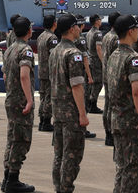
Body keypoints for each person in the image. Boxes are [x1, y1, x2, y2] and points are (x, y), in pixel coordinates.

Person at [107, 14, 138, 193]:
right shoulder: (133, 58)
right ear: (131, 31)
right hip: (131, 122)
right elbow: (137, 91)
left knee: (122, 167)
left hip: (117, 118)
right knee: (134, 168)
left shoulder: (113, 56)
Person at [49, 13, 89, 193]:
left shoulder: (55, 51)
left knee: (59, 153)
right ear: (72, 29)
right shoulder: (74, 54)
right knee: (72, 155)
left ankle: (59, 187)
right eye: (77, 27)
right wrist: (82, 114)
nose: (79, 30)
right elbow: (77, 86)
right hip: (71, 112)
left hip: (57, 110)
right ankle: (66, 188)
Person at [1, 16, 36, 193]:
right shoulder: (26, 50)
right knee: (21, 140)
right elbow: (24, 75)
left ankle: (7, 177)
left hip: (11, 99)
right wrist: (29, 99)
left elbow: (5, 75)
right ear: (28, 31)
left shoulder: (9, 50)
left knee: (12, 139)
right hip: (21, 101)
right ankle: (13, 180)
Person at [101, 11, 121, 146]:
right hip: (113, 74)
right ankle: (111, 133)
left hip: (106, 73)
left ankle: (108, 133)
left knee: (107, 104)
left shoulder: (106, 36)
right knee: (113, 105)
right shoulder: (115, 38)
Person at [36, 14, 58, 132]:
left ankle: (41, 120)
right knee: (49, 97)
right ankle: (46, 121)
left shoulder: (41, 36)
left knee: (43, 96)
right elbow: (53, 56)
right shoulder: (52, 38)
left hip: (42, 71)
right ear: (54, 23)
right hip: (50, 72)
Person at [86, 14, 104, 114]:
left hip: (91, 59)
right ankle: (93, 103)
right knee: (98, 82)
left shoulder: (89, 32)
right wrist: (103, 61)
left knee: (93, 83)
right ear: (96, 21)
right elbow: (98, 48)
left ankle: (90, 103)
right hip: (96, 60)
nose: (101, 21)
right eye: (99, 20)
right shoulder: (98, 33)